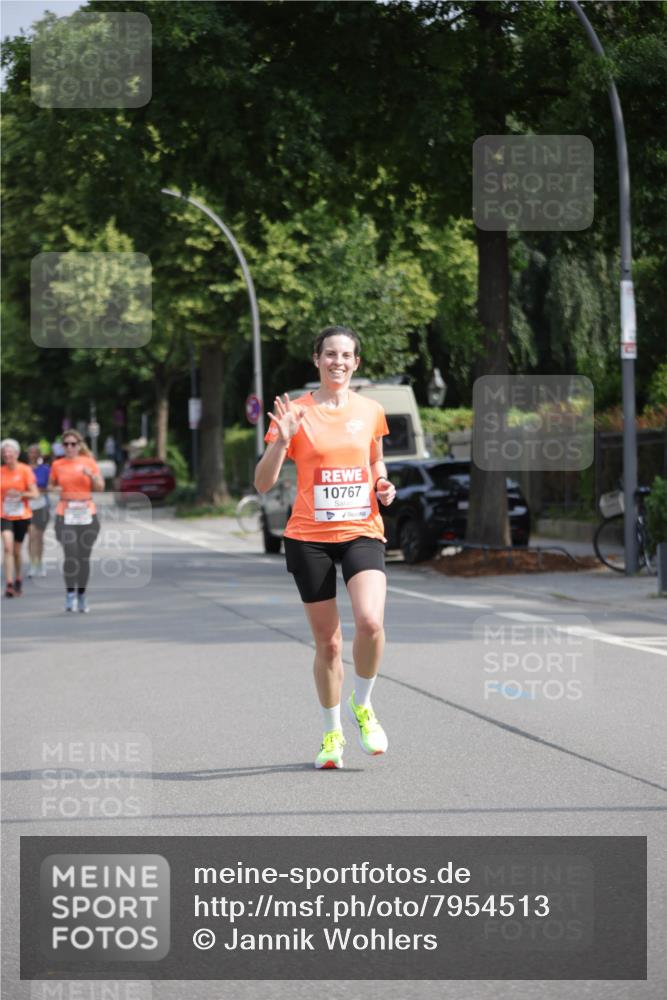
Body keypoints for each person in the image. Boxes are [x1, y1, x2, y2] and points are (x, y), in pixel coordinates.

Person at [254, 326, 397, 769]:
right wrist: (282, 439)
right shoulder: (295, 412)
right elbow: (262, 483)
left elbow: (374, 457)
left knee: (371, 622)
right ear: (316, 359)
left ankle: (364, 704)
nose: (338, 361)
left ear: (356, 362)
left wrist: (382, 482)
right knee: (330, 644)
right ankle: (331, 734)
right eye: (330, 354)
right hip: (308, 536)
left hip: (361, 529)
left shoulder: (371, 409)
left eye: (346, 355)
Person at [49, 430, 104, 613]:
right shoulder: (57, 464)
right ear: (62, 447)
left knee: (83, 557)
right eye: (66, 444)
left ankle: (81, 594)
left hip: (87, 513)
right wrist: (54, 489)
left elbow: (100, 488)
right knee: (71, 553)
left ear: (79, 445)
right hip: (65, 513)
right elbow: (50, 486)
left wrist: (92, 476)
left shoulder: (88, 463)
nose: (70, 447)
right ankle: (70, 593)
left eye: (73, 444)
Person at [1, 439, 39, 597]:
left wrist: (20, 494)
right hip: (4, 515)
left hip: (22, 515)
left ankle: (18, 579)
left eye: (10, 452)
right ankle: (9, 584)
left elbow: (35, 494)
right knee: (8, 547)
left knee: (17, 550)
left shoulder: (25, 470)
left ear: (16, 454)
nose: (7, 455)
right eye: (4, 453)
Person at [26, 444, 51, 577]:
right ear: (28, 454)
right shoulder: (23, 469)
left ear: (40, 455)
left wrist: (39, 490)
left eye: (36, 453)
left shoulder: (45, 469)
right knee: (31, 535)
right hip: (27, 506)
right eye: (31, 452)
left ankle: (40, 563)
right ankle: (32, 564)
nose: (33, 455)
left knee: (39, 537)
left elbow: (50, 486)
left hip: (42, 505)